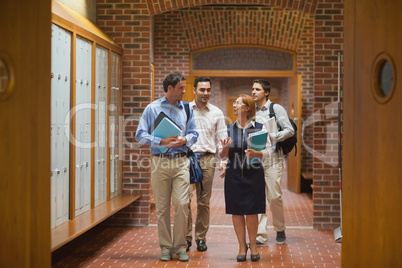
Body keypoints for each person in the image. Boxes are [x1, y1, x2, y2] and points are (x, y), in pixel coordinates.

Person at [135, 72, 199, 262]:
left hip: (181, 162)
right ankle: (165, 247)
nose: (184, 91)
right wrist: (159, 139)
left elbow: (195, 133)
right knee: (162, 208)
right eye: (181, 87)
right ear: (170, 88)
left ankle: (180, 246)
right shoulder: (152, 108)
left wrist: (185, 140)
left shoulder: (187, 109)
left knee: (181, 204)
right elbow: (140, 135)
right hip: (160, 162)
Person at [219, 94, 270, 262]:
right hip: (234, 176)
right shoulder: (227, 129)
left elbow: (269, 152)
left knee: (252, 211)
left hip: (254, 175)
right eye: (233, 103)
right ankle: (242, 245)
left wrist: (257, 153)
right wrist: (224, 151)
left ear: (247, 108)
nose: (234, 105)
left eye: (238, 103)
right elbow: (222, 155)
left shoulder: (260, 128)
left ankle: (253, 245)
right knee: (237, 210)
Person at [185, 76, 228, 252]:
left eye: (208, 90)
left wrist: (224, 160)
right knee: (184, 200)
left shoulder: (216, 112)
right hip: (186, 159)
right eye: (202, 90)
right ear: (194, 90)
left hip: (208, 159)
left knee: (204, 202)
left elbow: (222, 139)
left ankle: (200, 238)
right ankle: (186, 237)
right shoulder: (185, 109)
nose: (205, 93)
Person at [251, 79, 295, 246]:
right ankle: (261, 235)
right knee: (258, 197)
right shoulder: (251, 109)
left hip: (273, 159)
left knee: (274, 196)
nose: (253, 92)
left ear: (266, 92)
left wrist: (272, 136)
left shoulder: (276, 109)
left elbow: (290, 130)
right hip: (256, 158)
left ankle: (280, 228)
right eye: (252, 89)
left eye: (257, 89)